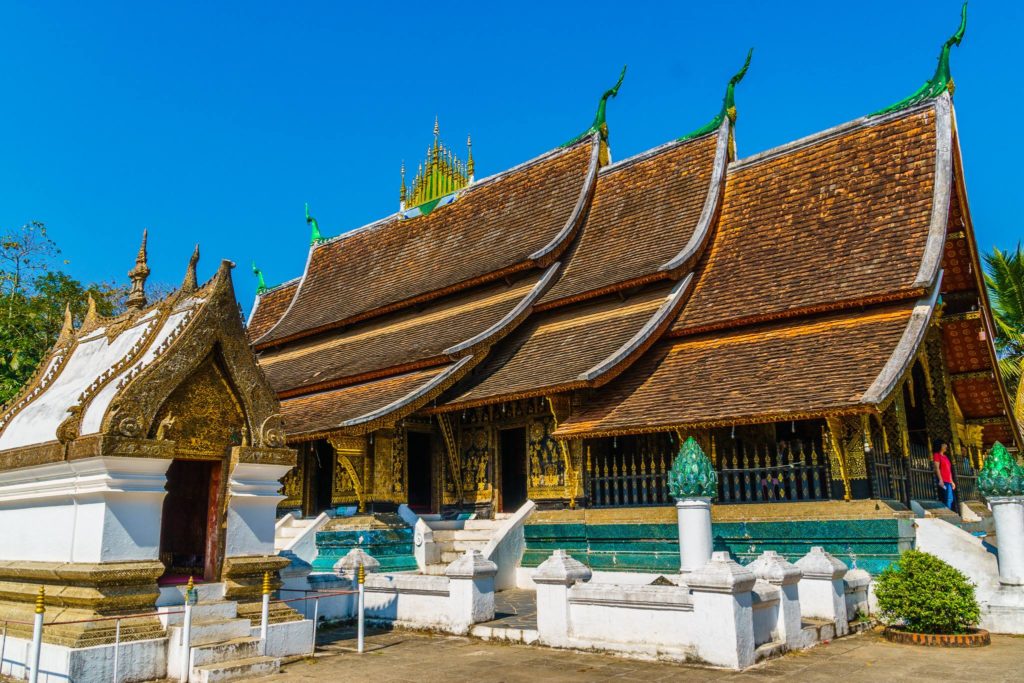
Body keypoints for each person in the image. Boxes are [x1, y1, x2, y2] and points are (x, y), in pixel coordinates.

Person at [932, 441, 956, 511]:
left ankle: (949, 511)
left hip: (948, 480)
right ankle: (948, 512)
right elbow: (937, 468)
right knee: (948, 498)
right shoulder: (937, 455)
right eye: (943, 445)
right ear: (939, 446)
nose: (946, 446)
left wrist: (952, 481)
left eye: (946, 445)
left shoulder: (946, 457)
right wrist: (940, 480)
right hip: (943, 480)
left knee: (951, 499)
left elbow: (949, 470)